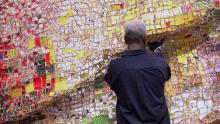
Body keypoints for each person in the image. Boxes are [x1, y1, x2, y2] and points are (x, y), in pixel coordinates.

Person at [104, 20, 171, 124]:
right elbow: (165, 76)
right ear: (144, 39)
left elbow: (111, 82)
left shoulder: (115, 67)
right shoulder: (160, 63)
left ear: (125, 40)